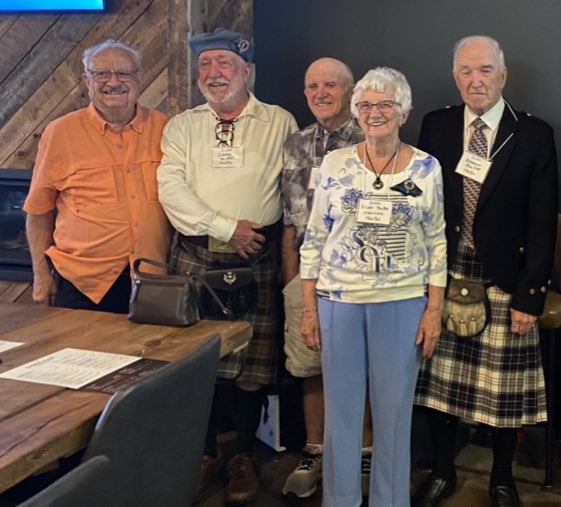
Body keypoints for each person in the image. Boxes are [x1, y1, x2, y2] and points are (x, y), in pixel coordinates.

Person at [413, 35, 558, 507]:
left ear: (503, 75)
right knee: (439, 387)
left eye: (486, 70)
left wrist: (529, 297)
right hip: (446, 273)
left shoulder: (533, 133)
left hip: (505, 277)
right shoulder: (436, 125)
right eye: (466, 71)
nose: (476, 80)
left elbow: (541, 222)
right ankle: (442, 470)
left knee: (502, 392)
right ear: (455, 76)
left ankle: (501, 478)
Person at [157, 27, 297, 505]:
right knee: (195, 363)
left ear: (247, 71)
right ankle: (200, 455)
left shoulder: (279, 121)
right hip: (196, 254)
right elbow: (171, 191)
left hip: (257, 254)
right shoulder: (182, 126)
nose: (214, 74)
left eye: (224, 64)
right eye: (205, 65)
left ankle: (242, 457)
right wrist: (224, 227)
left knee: (252, 367)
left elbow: (292, 189)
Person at [299, 66, 446, 507]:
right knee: (341, 415)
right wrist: (309, 308)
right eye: (365, 105)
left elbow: (437, 241)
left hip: (402, 303)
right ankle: (339, 500)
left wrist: (433, 310)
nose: (374, 113)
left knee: (394, 414)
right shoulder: (335, 163)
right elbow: (315, 237)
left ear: (404, 113)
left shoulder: (426, 167)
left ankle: (390, 500)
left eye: (385, 105)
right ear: (356, 111)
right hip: (338, 303)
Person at [280, 57, 374, 498]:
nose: (320, 93)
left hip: (356, 277)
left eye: (330, 85)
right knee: (308, 365)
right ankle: (314, 451)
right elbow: (288, 218)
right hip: (305, 275)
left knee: (363, 366)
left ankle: (366, 452)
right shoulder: (295, 143)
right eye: (312, 86)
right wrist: (291, 278)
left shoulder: (372, 138)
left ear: (350, 91)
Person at [23, 40, 170, 313]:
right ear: (86, 80)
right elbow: (38, 211)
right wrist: (41, 276)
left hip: (154, 278)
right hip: (81, 283)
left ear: (139, 78)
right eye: (101, 73)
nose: (113, 82)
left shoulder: (166, 128)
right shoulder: (59, 133)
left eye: (124, 73)